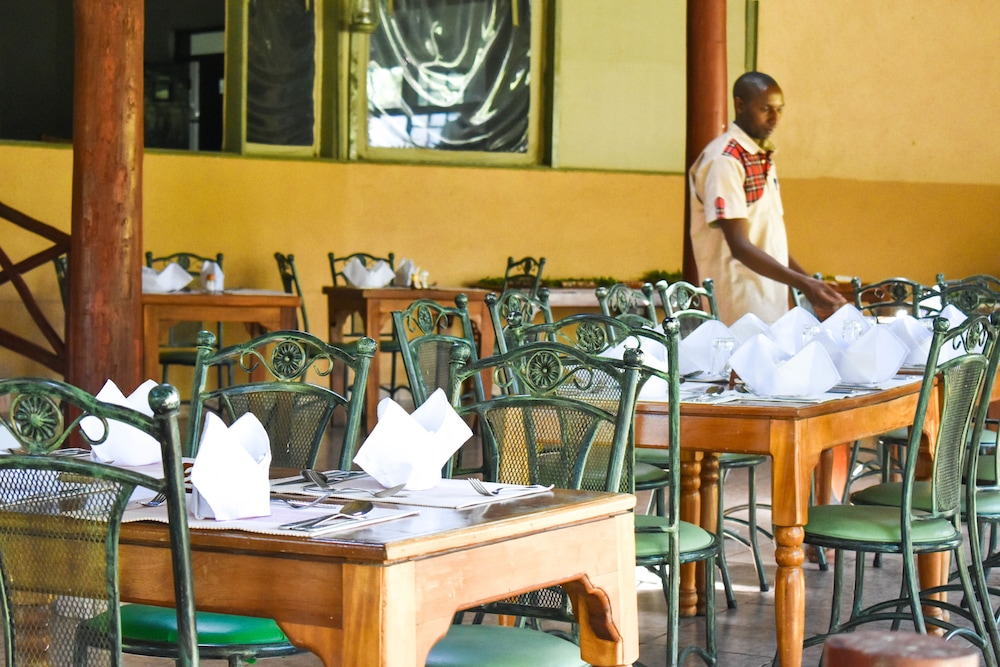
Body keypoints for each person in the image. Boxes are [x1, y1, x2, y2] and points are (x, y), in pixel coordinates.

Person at [689, 71, 846, 324]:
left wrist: (811, 283)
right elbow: (739, 246)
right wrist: (803, 284)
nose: (775, 118)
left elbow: (770, 241)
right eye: (765, 109)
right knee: (741, 364)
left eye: (779, 109)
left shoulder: (761, 155)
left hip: (770, 298)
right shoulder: (725, 160)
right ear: (740, 105)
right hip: (739, 300)